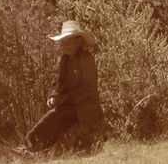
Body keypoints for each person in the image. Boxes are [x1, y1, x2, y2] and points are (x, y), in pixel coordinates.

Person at [16, 20, 103, 154]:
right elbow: (56, 84)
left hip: (85, 108)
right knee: (54, 114)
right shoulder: (64, 61)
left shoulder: (86, 60)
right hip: (69, 105)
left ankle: (30, 148)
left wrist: (65, 99)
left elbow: (89, 89)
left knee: (55, 116)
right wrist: (52, 97)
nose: (64, 45)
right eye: (63, 42)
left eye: (68, 41)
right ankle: (35, 148)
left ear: (79, 41)